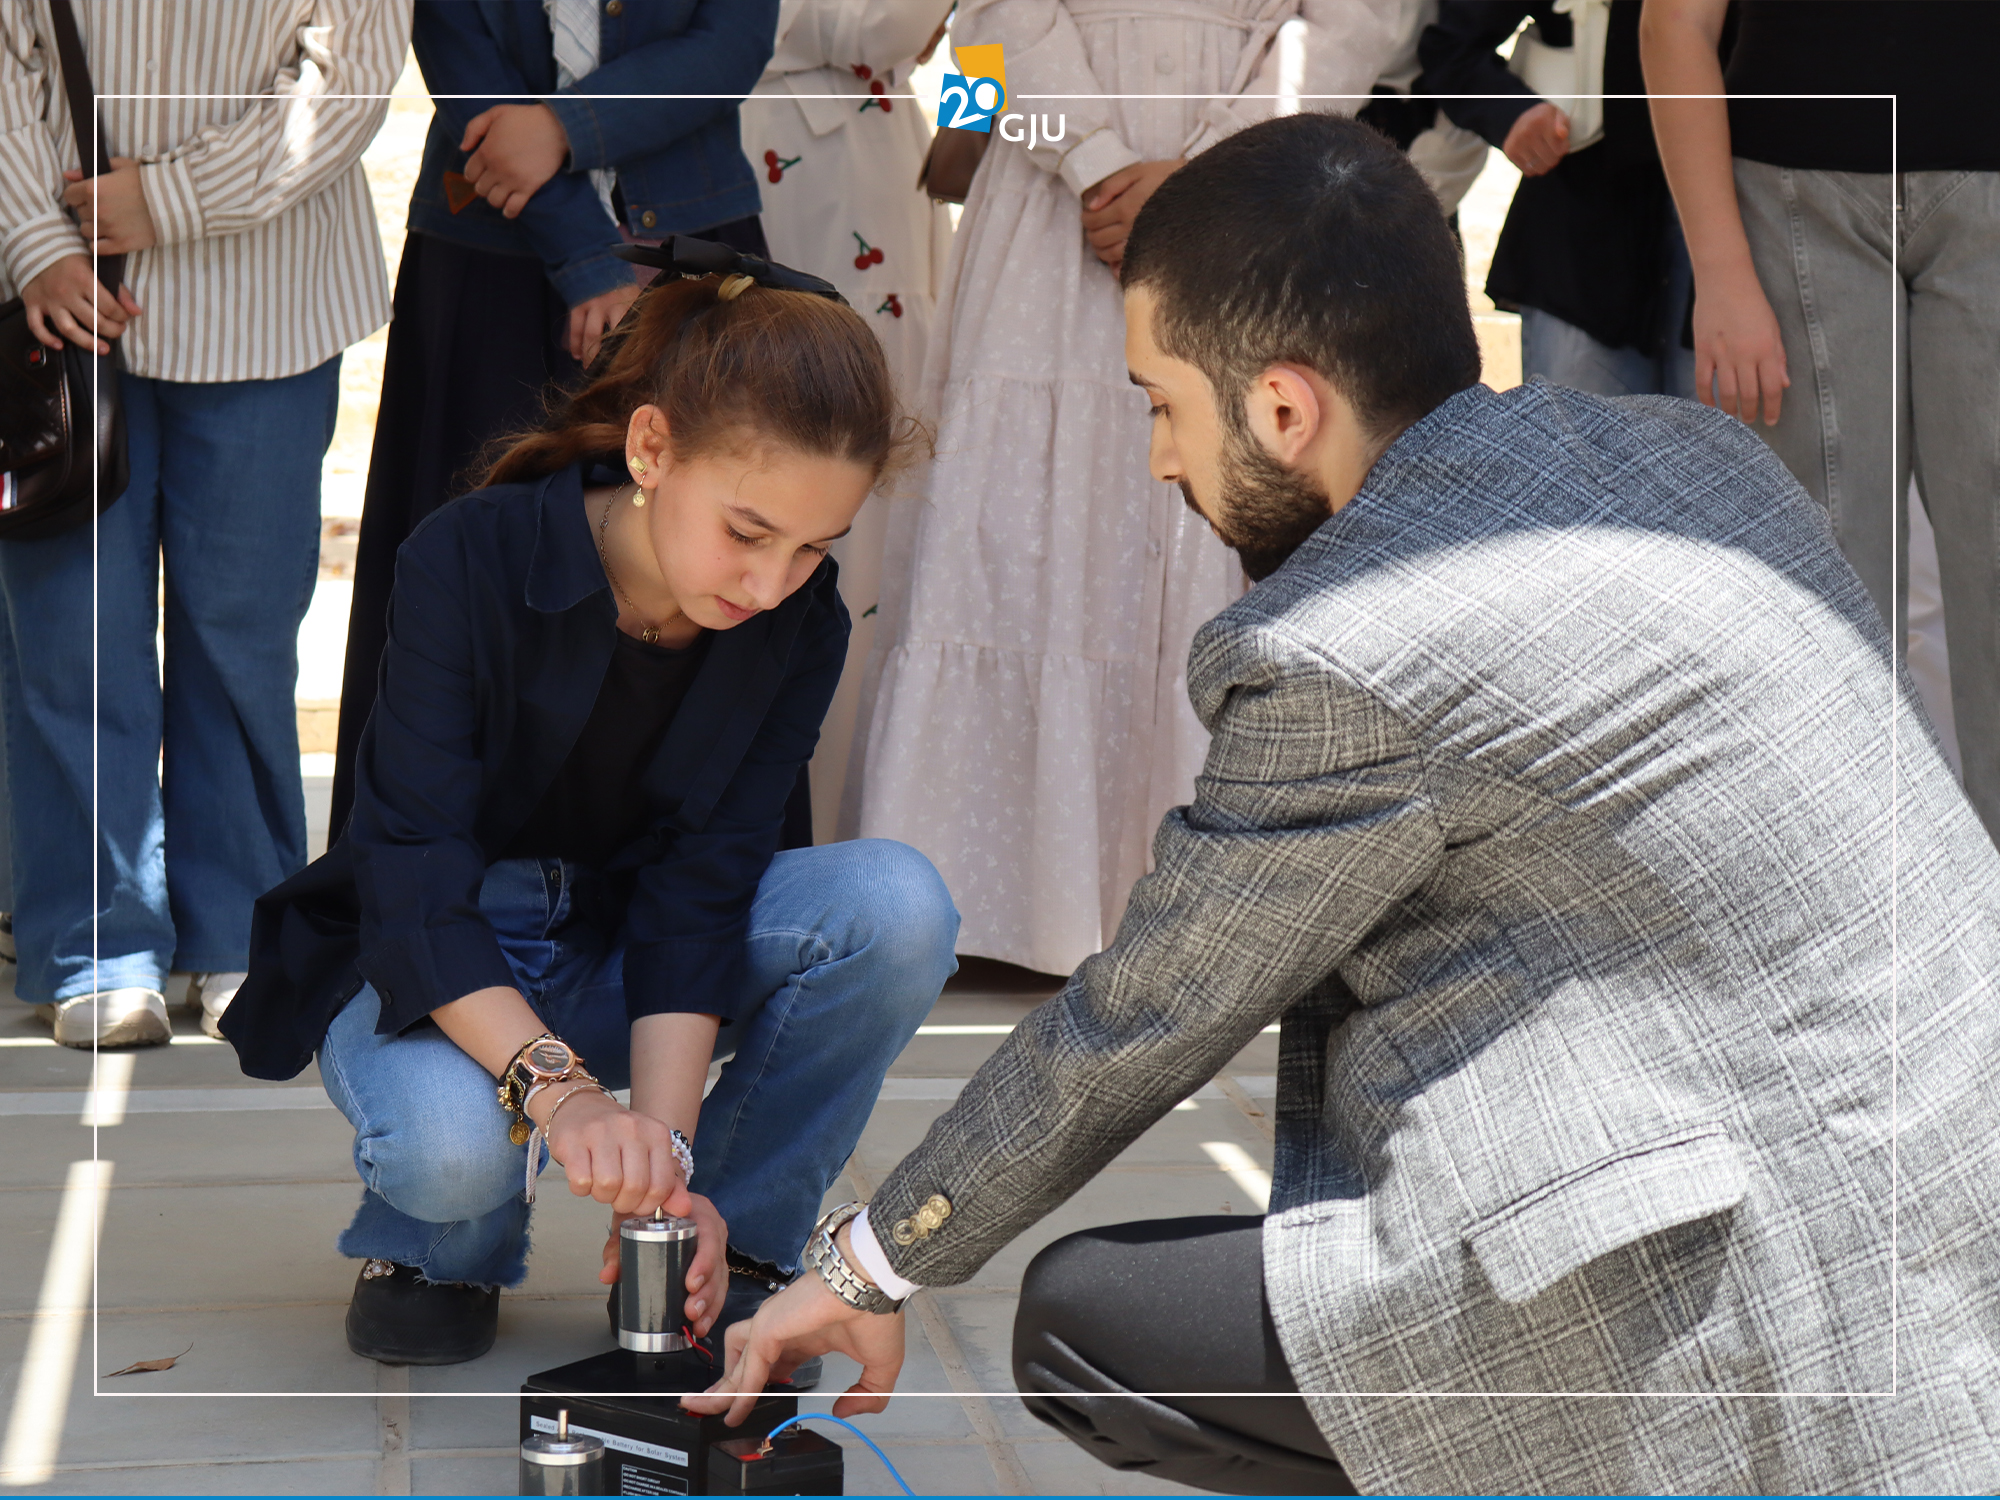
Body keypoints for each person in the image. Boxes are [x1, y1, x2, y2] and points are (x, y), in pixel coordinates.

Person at [684, 114, 2000, 1495]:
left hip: (1772, 1307)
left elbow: (1147, 1012)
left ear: (1281, 410)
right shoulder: (1694, 457)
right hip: (1952, 1184)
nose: (1159, 461)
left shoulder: (1348, 642)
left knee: (1083, 1321)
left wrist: (868, 1264)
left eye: (1161, 404)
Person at [221, 248, 960, 1367]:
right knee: (451, 1155)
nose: (770, 584)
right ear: (651, 448)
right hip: (441, 954)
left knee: (895, 905)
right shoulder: (470, 554)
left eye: (815, 547)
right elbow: (411, 874)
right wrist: (561, 1096)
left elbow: (704, 884)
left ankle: (726, 1254)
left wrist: (663, 1171)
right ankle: (438, 1252)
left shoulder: (799, 623)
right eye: (748, 532)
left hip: (619, 952)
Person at [850, 0, 1399, 981]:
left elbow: (1361, 17)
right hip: (1052, 201)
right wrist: (1095, 159)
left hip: (1253, 209)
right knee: (1018, 522)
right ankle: (988, 896)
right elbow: (995, 13)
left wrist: (1210, 177)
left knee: (1218, 489)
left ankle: (1195, 898)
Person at [0, 0, 408, 1047]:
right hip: (57, 292)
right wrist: (31, 239)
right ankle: (93, 940)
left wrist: (172, 199)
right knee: (70, 640)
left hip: (272, 288)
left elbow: (352, 66)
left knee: (242, 639)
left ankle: (242, 930)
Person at [328, 0, 783, 839]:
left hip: (706, 219)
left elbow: (738, 38)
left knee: (719, 541)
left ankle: (682, 878)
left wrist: (567, 128)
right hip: (488, 240)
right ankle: (424, 870)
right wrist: (582, 250)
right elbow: (455, 43)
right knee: (468, 566)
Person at [1642, 0, 2000, 847]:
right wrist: (1721, 273)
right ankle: (1849, 903)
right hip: (1791, 204)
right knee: (1827, 604)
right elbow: (1675, 26)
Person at [737, 0, 956, 842]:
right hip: (778, 167)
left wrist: (973, 125)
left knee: (877, 513)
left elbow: (973, 37)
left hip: (881, 163)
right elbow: (887, 27)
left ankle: (851, 831)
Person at [1422, 0, 1695, 398]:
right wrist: (1512, 112)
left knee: (1724, 435)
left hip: (1733, 231)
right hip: (1582, 229)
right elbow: (1451, 48)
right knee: (1573, 433)